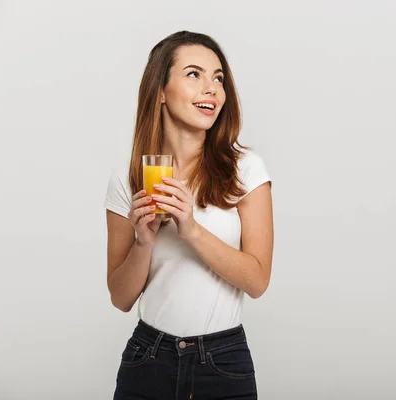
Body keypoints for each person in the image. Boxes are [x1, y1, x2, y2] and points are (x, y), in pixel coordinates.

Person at [103, 30, 274, 400]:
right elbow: (120, 297)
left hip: (222, 361)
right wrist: (143, 242)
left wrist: (191, 229)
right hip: (146, 358)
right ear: (160, 91)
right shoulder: (128, 178)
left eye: (218, 78)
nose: (211, 88)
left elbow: (258, 281)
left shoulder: (245, 170)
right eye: (194, 74)